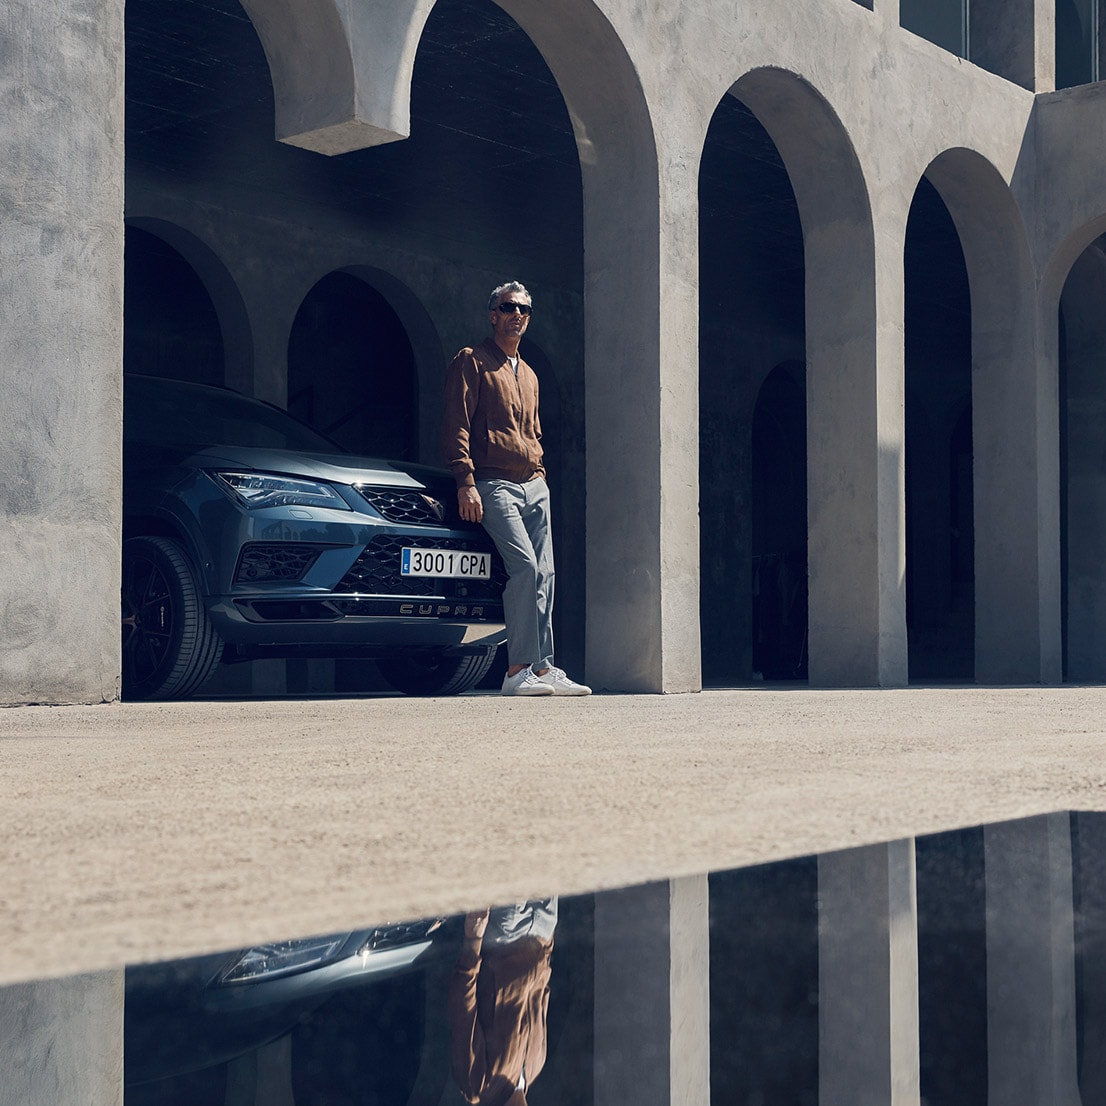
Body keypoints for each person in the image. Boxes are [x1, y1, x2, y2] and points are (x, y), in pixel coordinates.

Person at [441, 281, 590, 696]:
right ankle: (516, 672)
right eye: (509, 307)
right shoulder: (472, 361)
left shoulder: (530, 375)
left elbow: (532, 432)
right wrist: (465, 481)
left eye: (524, 309)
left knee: (546, 573)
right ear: (494, 315)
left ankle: (543, 669)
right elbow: (457, 425)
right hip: (494, 483)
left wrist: (540, 474)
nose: (517, 315)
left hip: (534, 484)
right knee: (524, 568)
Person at [447, 900, 558, 1106]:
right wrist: (548, 939)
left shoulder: (477, 1087)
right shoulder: (536, 1066)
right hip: (543, 928)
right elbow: (542, 990)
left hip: (506, 934)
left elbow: (462, 1006)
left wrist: (473, 939)